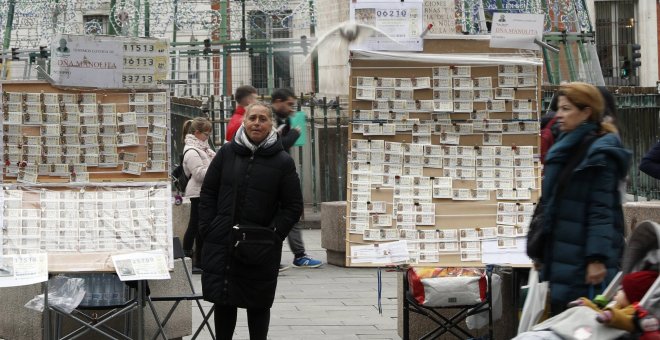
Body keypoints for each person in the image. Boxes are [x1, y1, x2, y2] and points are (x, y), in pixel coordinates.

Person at [198, 103, 303, 340]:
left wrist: (274, 235)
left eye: (263, 119)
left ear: (270, 125)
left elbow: (293, 206)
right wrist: (208, 228)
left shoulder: (282, 160)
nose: (257, 122)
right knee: (224, 301)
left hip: (261, 245)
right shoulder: (226, 153)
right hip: (223, 242)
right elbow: (209, 193)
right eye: (252, 118)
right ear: (244, 122)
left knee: (258, 304)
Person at [539, 82, 631, 316]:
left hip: (583, 259)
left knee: (581, 322)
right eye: (559, 108)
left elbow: (601, 210)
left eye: (566, 109)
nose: (558, 115)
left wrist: (596, 259)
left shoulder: (601, 152)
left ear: (586, 112)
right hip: (562, 252)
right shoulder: (564, 145)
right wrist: (539, 247)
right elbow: (549, 203)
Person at [270, 88, 322, 269]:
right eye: (289, 104)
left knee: (291, 214)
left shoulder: (281, 120)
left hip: (281, 176)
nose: (292, 108)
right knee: (277, 216)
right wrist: (293, 135)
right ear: (278, 101)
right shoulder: (267, 119)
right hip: (272, 178)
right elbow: (276, 147)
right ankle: (278, 256)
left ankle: (298, 255)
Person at [568, 270, 658, 333]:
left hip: (615, 331)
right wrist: (587, 304)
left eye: (622, 290)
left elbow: (629, 323)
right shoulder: (618, 305)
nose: (618, 291)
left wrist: (611, 315)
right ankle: (583, 304)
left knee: (629, 322)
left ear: (631, 296)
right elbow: (599, 313)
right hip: (602, 326)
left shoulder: (635, 309)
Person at [182, 117, 215, 274]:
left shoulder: (204, 149)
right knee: (195, 226)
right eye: (206, 134)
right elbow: (199, 174)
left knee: (200, 226)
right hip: (198, 193)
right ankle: (189, 257)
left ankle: (199, 260)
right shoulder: (192, 151)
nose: (208, 137)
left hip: (204, 192)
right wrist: (217, 166)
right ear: (197, 133)